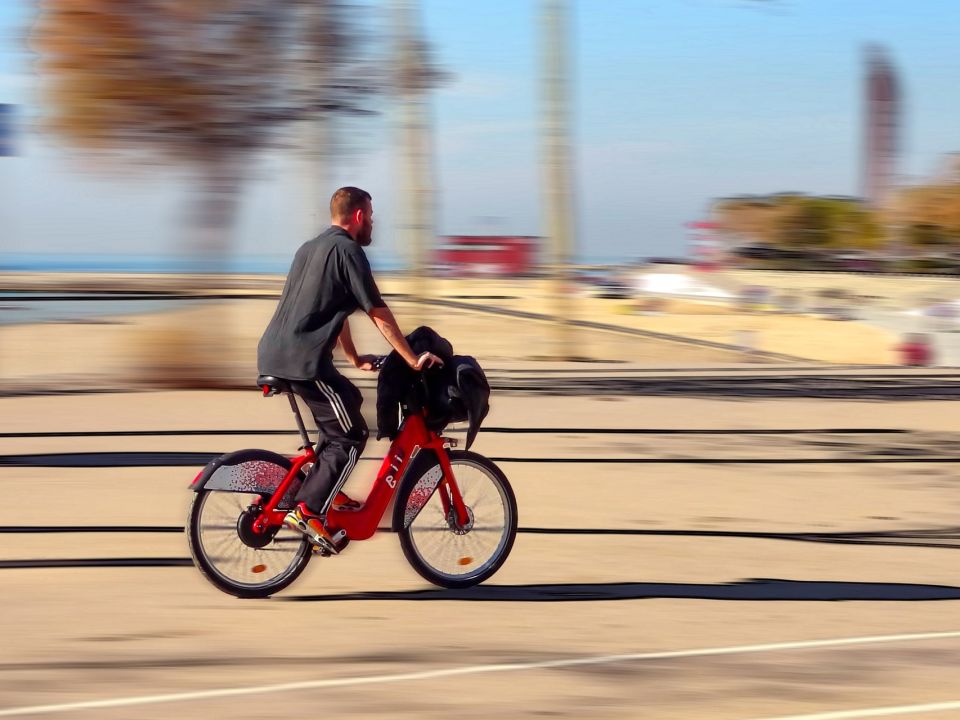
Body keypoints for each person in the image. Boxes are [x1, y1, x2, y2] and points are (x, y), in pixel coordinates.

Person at [257, 186, 443, 553]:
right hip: (303, 361)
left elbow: (335, 309)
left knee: (348, 399)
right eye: (371, 216)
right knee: (351, 434)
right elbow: (377, 311)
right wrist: (410, 358)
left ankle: (326, 486)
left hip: (275, 353)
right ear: (358, 216)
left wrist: (355, 358)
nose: (373, 223)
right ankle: (309, 509)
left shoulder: (309, 249)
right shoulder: (348, 250)